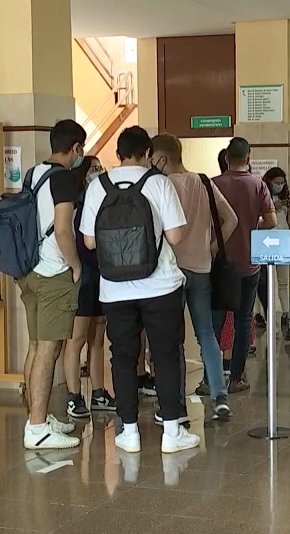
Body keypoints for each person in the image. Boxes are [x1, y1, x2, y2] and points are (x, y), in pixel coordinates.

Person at [79, 126, 198, 454]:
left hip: (115, 289)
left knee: (122, 356)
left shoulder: (97, 187)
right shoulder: (158, 183)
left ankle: (128, 431)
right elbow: (175, 237)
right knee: (165, 353)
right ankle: (172, 432)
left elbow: (89, 241)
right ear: (148, 153)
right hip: (160, 285)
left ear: (118, 154)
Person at [152, 133, 238, 420]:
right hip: (202, 267)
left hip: (170, 271)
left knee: (172, 339)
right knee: (206, 334)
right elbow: (231, 219)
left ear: (161, 158)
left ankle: (176, 404)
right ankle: (220, 396)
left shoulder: (160, 185)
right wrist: (211, 249)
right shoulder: (203, 182)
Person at [19, 119, 84, 450]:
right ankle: (37, 427)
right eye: (79, 150)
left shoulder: (34, 173)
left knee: (35, 345)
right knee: (49, 348)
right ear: (75, 148)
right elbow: (62, 230)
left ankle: (37, 417)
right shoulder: (65, 180)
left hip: (30, 271)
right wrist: (75, 265)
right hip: (53, 273)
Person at [211, 138, 277, 393]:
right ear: (248, 158)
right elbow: (271, 222)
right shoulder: (258, 185)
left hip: (219, 262)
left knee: (214, 323)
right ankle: (236, 377)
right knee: (243, 320)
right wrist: (252, 227)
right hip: (250, 263)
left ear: (227, 158)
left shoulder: (214, 184)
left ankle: (210, 378)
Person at [64, 155, 117, 418]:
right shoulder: (75, 205)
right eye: (94, 169)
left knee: (97, 338)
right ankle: (74, 395)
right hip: (83, 276)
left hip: (102, 275)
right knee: (76, 339)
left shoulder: (104, 202)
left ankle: (98, 392)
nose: (98, 173)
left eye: (100, 168)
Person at [257, 167, 290, 329]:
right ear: (269, 181)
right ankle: (262, 313)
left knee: (283, 280)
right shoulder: (262, 194)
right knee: (264, 281)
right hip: (266, 240)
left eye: (282, 183)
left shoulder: (286, 197)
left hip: (283, 240)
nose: (280, 186)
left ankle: (286, 312)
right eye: (277, 183)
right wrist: (271, 206)